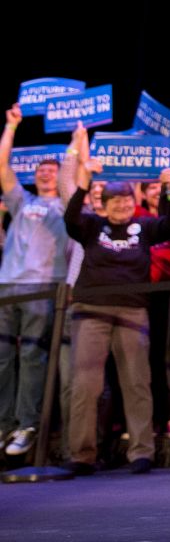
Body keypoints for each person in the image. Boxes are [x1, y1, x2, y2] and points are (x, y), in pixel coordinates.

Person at [65, 162, 170, 475]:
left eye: (128, 200)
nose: (123, 205)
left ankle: (141, 452)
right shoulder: (91, 226)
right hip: (91, 311)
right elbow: (70, 219)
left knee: (137, 381)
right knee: (85, 385)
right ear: (104, 205)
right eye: (116, 201)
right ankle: (82, 455)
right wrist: (84, 182)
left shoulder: (143, 229)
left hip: (132, 310)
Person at [0, 103, 70, 458]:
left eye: (52, 169)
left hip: (43, 288)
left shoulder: (64, 206)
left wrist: (78, 137)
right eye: (41, 169)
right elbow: (3, 168)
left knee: (31, 356)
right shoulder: (20, 201)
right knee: (0, 357)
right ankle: (3, 424)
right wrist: (11, 126)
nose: (45, 173)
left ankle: (26, 424)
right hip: (6, 287)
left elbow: (78, 174)